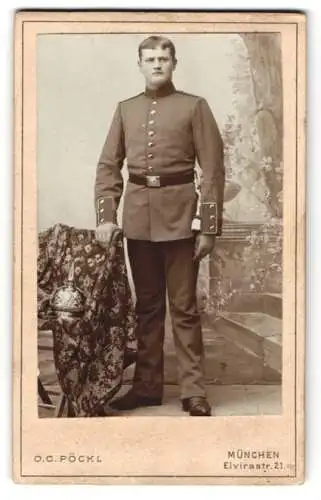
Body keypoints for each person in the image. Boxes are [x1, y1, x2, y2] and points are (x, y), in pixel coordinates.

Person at [94, 35, 225, 416]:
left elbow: (213, 169)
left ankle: (193, 391)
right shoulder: (126, 109)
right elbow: (107, 166)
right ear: (139, 64)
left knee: (183, 307)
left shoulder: (194, 106)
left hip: (183, 219)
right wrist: (106, 217)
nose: (156, 65)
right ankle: (148, 388)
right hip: (138, 220)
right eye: (149, 59)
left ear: (173, 63)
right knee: (147, 307)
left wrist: (208, 227)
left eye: (163, 59)